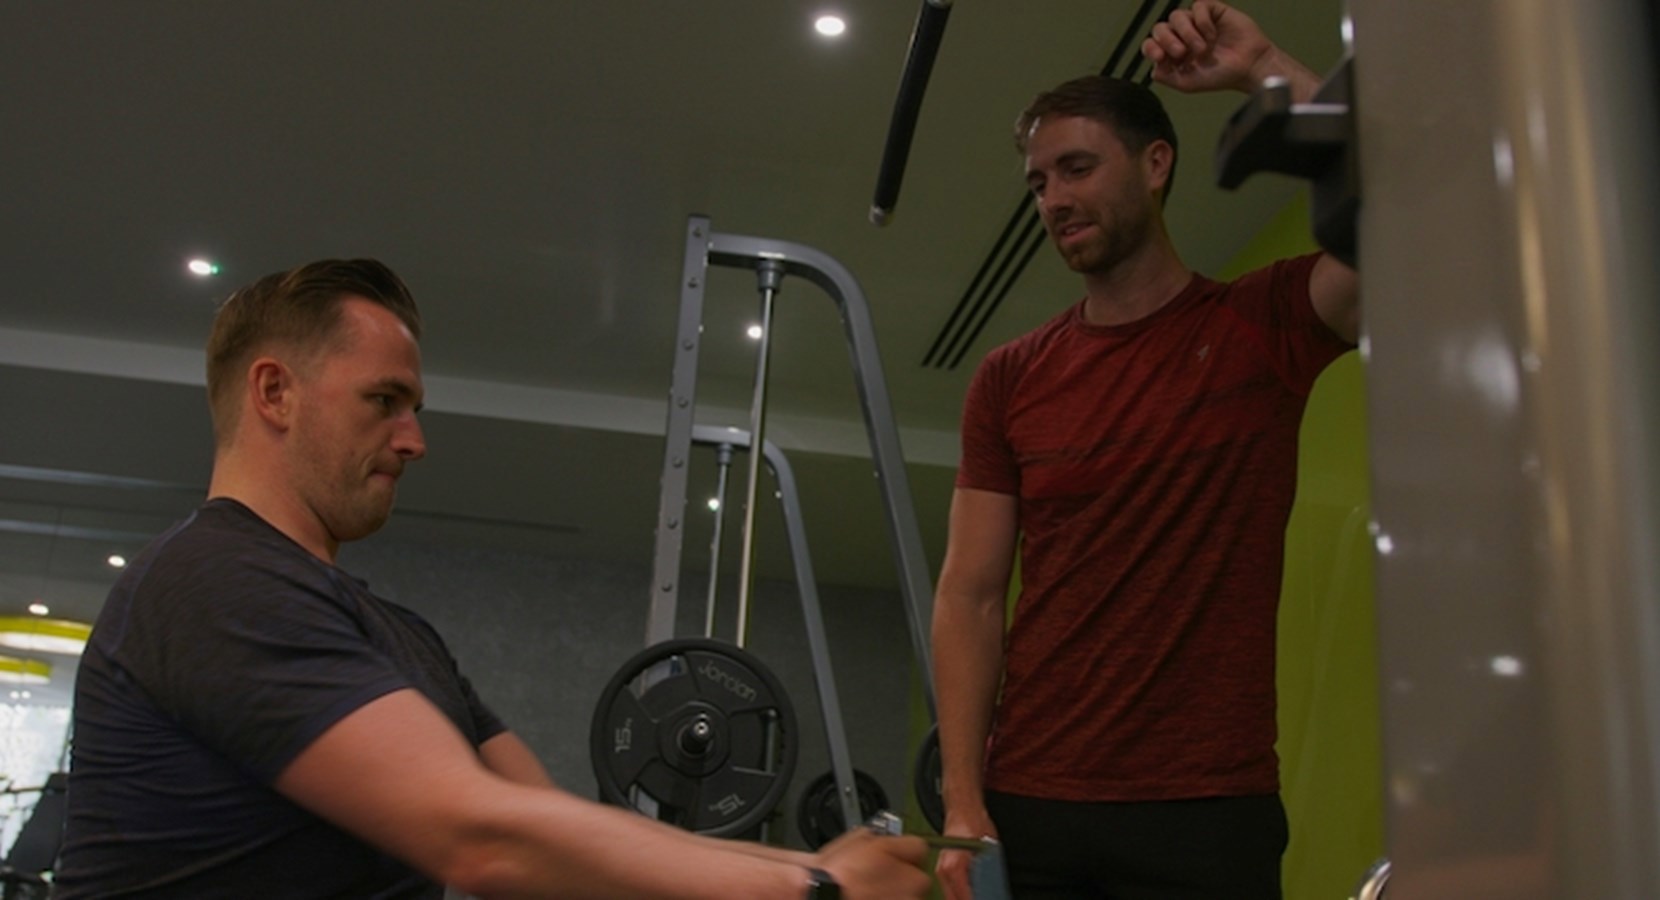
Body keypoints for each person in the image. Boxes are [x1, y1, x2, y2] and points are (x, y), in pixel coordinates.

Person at [54, 258, 931, 899]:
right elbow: (479, 838)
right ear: (275, 393)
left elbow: (543, 827)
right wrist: (815, 890)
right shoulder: (211, 582)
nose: (414, 440)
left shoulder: (399, 635)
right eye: (383, 401)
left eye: (414, 409)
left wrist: (819, 864)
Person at [930, 3, 1360, 899]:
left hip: (1209, 811)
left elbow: (1406, 221)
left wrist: (1263, 65)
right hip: (1035, 806)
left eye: (1077, 168)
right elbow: (970, 596)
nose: (1053, 200)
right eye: (1038, 182)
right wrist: (962, 800)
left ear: (1156, 164)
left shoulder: (1262, 326)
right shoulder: (1010, 378)